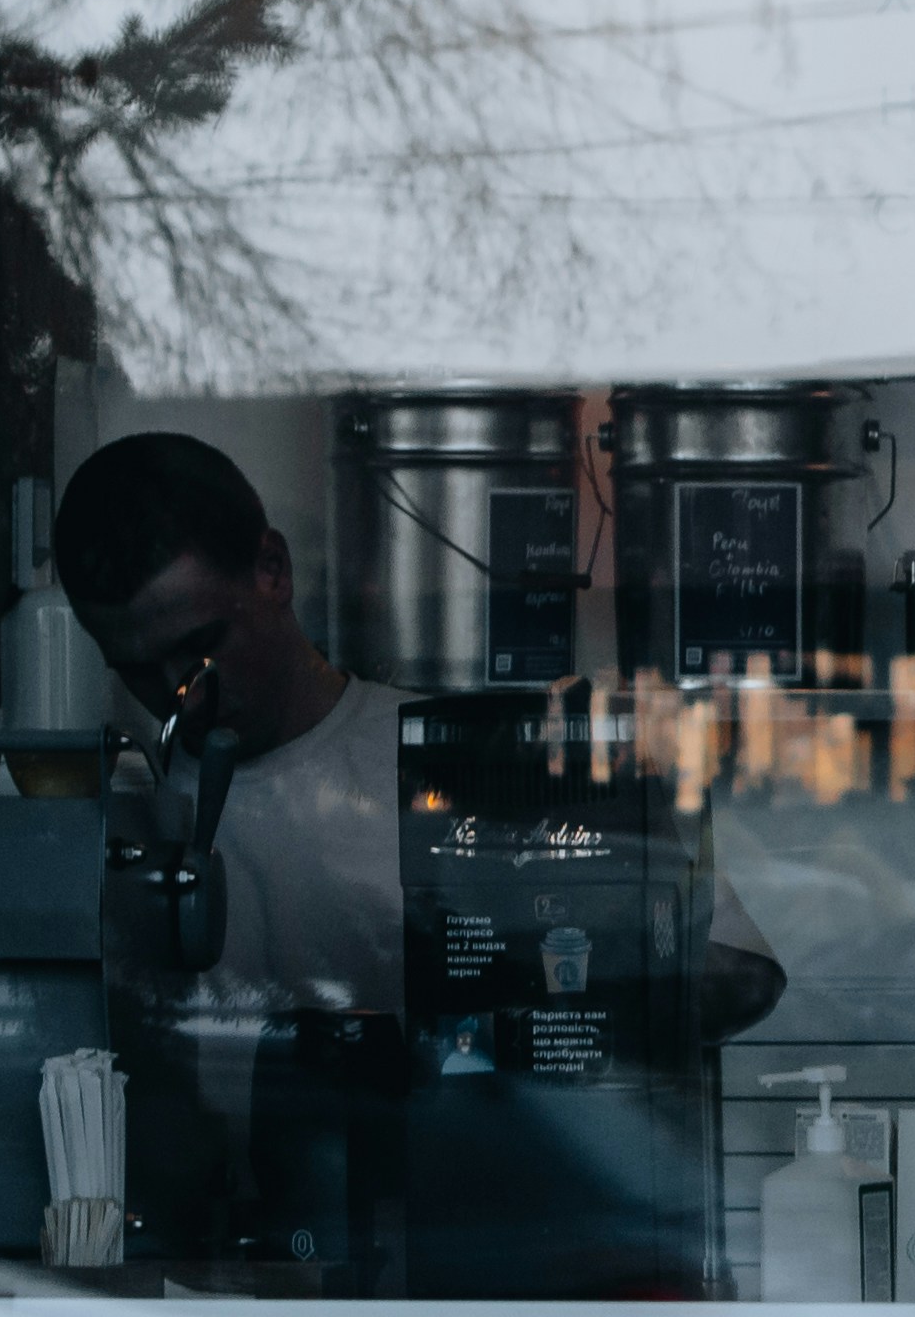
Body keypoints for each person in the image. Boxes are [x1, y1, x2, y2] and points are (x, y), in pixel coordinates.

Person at [52, 434, 786, 1234]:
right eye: (138, 668)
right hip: (218, 1255)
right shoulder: (121, 820)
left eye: (200, 650)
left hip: (463, 1243)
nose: (178, 695)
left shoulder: (462, 762)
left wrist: (528, 948)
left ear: (272, 568)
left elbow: (744, 977)